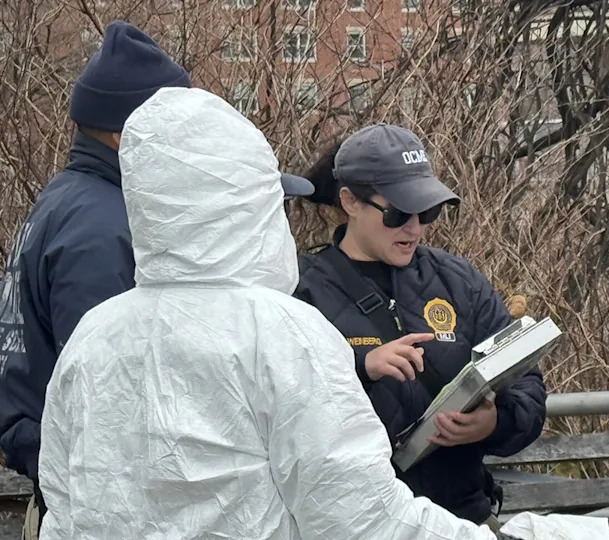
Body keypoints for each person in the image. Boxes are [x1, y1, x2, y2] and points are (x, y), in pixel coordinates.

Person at [37, 86, 498, 540]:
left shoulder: (94, 334)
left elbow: (61, 498)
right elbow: (360, 519)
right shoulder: (281, 334)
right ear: (247, 208)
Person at [0, 21, 199, 538]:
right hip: (92, 495)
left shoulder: (71, 199)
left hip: (57, 465)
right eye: (169, 121)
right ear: (121, 133)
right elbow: (107, 393)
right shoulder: (103, 227)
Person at [294, 124, 547, 531]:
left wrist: (495, 423)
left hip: (459, 520)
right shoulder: (302, 289)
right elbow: (279, 401)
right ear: (350, 202)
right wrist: (360, 365)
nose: (414, 228)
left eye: (426, 212)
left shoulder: (458, 280)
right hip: (353, 525)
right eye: (397, 213)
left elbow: (528, 388)